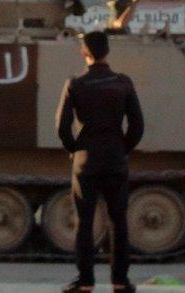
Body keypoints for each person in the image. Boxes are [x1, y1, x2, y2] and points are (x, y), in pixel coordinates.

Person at [56, 31, 144, 293]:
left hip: (86, 159)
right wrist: (122, 148)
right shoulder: (123, 83)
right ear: (107, 51)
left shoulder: (75, 83)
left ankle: (85, 281)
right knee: (118, 220)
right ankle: (120, 281)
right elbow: (137, 126)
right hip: (115, 156)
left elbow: (62, 127)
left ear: (84, 52)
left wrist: (75, 149)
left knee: (84, 220)